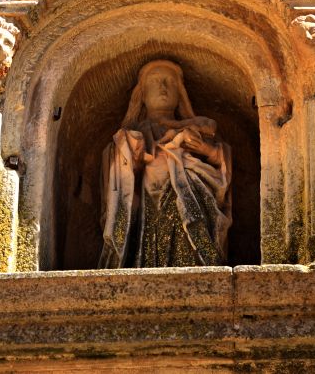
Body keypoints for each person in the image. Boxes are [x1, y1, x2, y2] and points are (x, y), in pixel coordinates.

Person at [99, 60, 232, 268]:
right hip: (147, 205)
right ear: (142, 94)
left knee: (188, 237)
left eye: (169, 82)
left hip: (187, 200)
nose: (163, 87)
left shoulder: (195, 129)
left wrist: (206, 150)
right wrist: (129, 154)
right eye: (155, 82)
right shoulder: (133, 134)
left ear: (180, 93)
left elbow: (220, 160)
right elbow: (120, 176)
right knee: (147, 247)